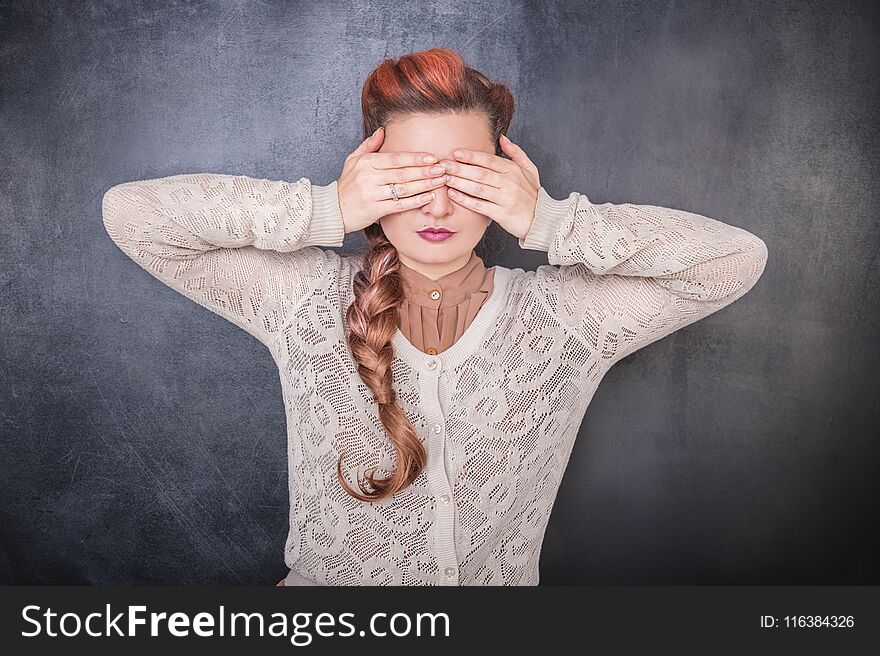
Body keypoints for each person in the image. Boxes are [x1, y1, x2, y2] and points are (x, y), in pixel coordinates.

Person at [101, 48, 768, 586]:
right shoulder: (302, 300)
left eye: (468, 178)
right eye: (410, 180)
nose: (438, 208)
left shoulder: (566, 319)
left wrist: (553, 221)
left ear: (504, 181)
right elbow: (133, 216)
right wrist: (325, 209)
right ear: (370, 180)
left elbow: (733, 260)